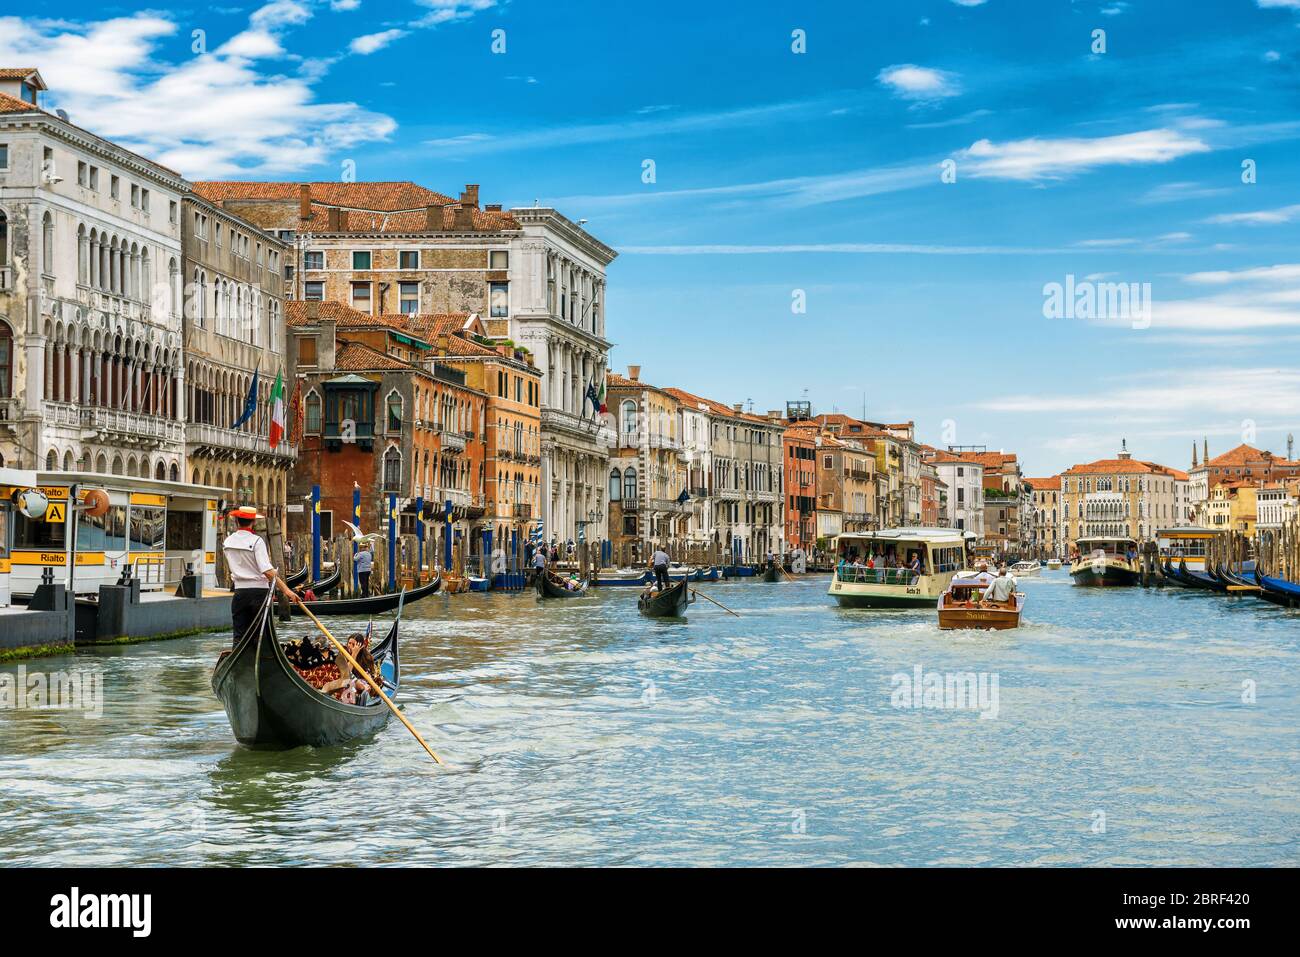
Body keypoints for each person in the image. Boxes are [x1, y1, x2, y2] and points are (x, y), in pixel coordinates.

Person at [224, 506, 295, 647]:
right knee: (261, 636)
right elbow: (267, 571)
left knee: (239, 636)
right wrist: (287, 591)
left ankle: (240, 663)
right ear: (253, 522)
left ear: (237, 521)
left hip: (239, 593)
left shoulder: (228, 542)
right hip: (258, 593)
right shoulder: (257, 541)